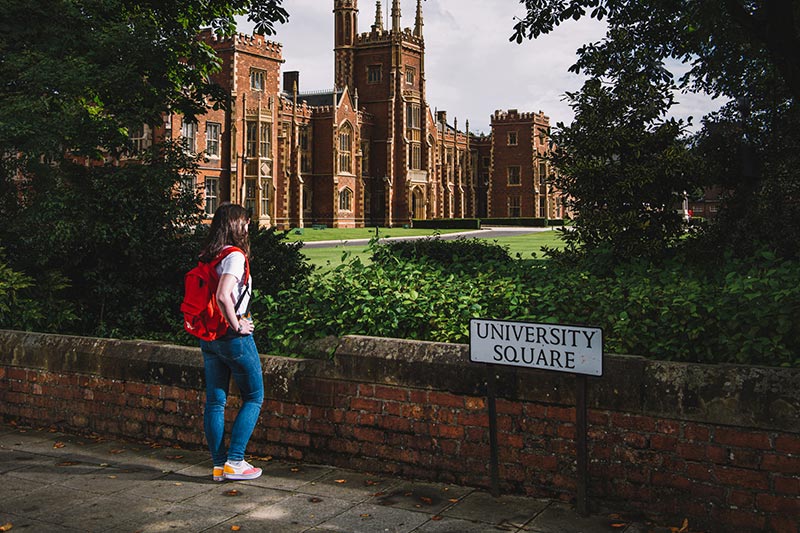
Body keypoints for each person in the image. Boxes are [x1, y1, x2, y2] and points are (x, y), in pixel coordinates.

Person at [198, 203, 264, 481]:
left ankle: (218, 466)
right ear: (237, 225)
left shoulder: (210, 254)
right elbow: (224, 295)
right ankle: (235, 461)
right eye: (246, 222)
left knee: (215, 402)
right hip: (231, 337)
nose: (249, 227)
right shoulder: (235, 255)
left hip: (210, 336)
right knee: (254, 396)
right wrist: (237, 324)